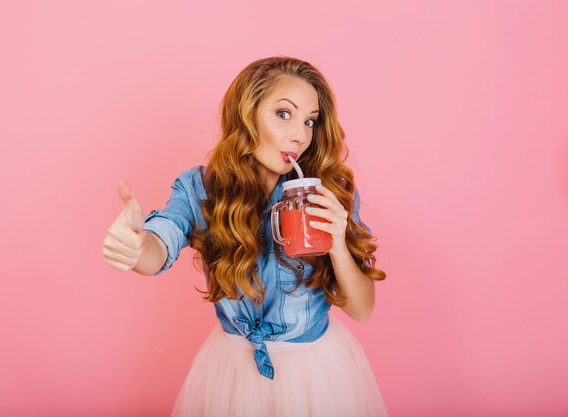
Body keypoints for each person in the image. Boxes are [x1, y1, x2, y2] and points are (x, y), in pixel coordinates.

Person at [102, 56, 389, 417]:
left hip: (314, 374)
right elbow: (160, 243)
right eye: (284, 114)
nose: (299, 135)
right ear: (248, 114)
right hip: (232, 373)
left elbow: (361, 309)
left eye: (310, 121)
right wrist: (136, 245)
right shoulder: (201, 188)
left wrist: (337, 246)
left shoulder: (329, 192)